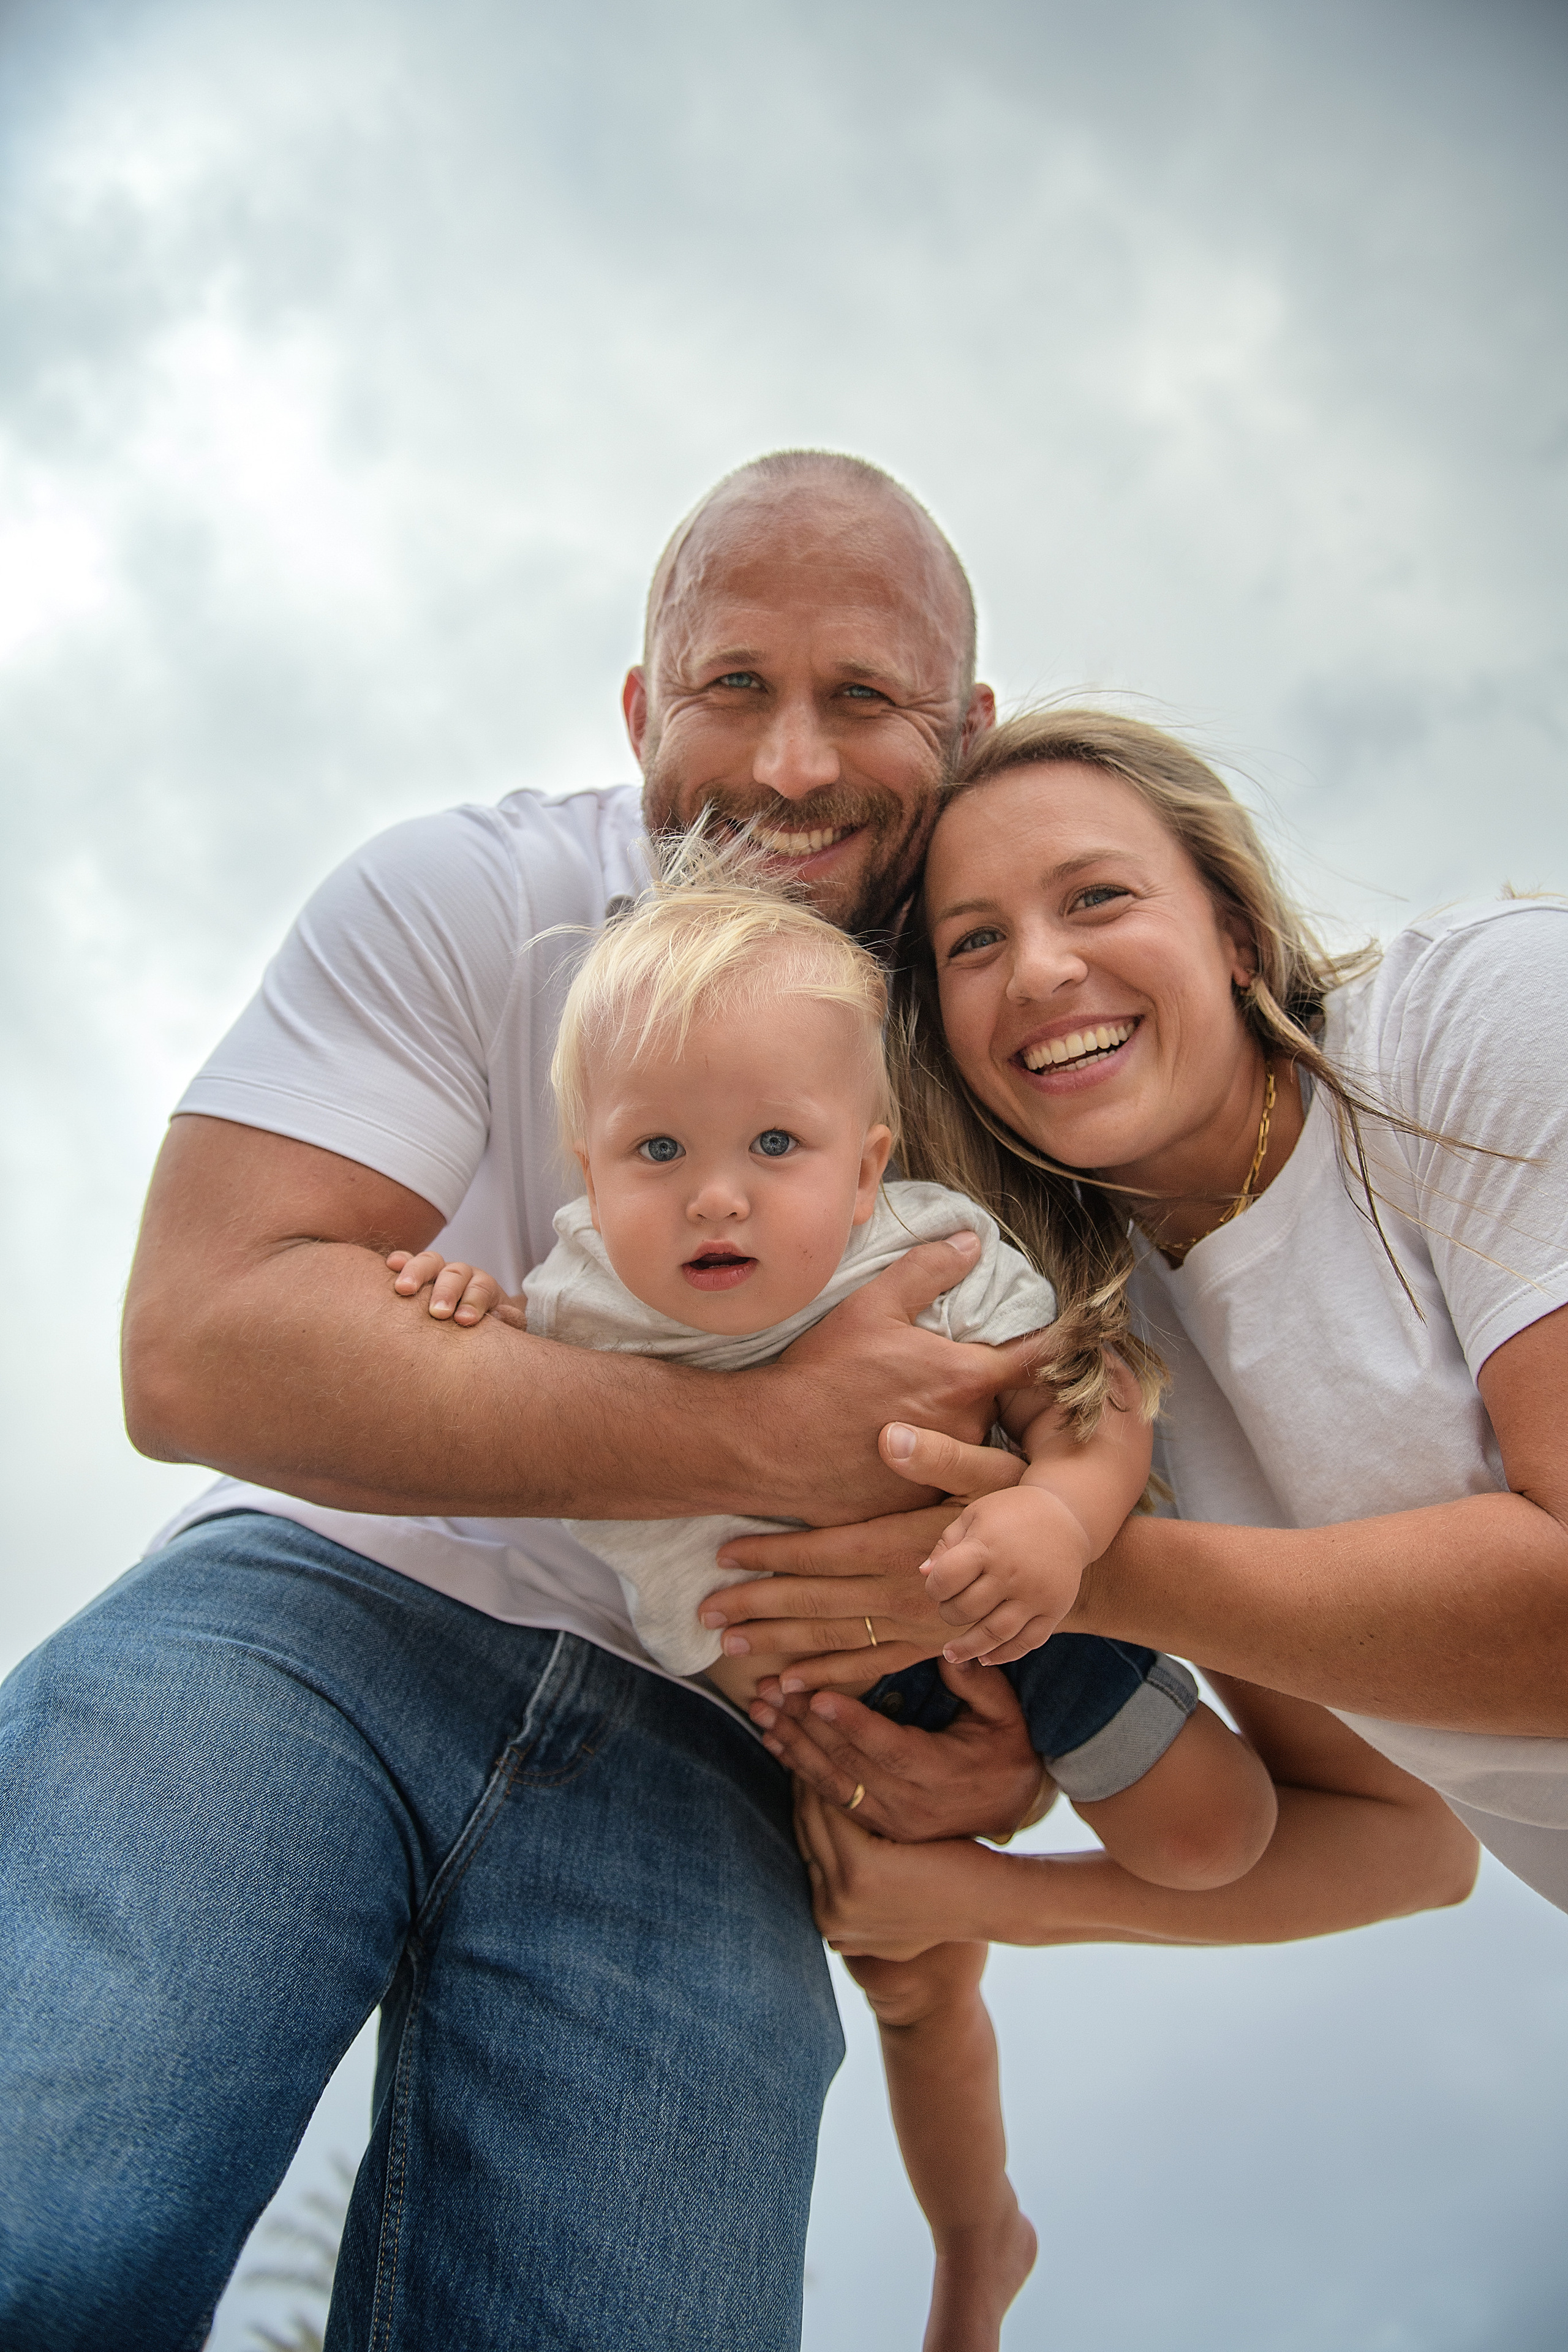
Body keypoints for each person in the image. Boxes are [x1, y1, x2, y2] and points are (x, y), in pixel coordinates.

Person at [0, 450, 1020, 2352]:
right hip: (302, 1608)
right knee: (43, 2228)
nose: (792, 762)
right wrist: (752, 1437)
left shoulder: (1011, 1042)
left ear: (967, 735)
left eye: (865, 698)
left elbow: (1083, 1466)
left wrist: (1007, 1740)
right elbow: (202, 1339)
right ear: (644, 707)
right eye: (734, 687)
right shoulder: (476, 891)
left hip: (702, 1755)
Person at [384, 854, 1278, 2351]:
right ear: (586, 1178)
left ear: (862, 1166)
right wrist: (456, 1305)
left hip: (1003, 1605)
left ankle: (986, 2211)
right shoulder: (574, 1301)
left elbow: (1093, 1382)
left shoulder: (917, 1251)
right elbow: (442, 1381)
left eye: (776, 1144)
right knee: (918, 1995)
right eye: (654, 1148)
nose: (715, 1192)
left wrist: (1059, 1515)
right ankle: (975, 2241)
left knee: (1215, 1836)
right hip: (795, 1711)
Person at [696, 704, 1558, 1954]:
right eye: (974, 942)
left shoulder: (1478, 1015)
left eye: (1094, 899)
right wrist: (973, 1897)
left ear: (1236, 932)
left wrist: (1053, 1573)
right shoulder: (1089, 1359)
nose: (1039, 969)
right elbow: (1397, 1839)